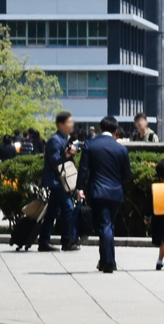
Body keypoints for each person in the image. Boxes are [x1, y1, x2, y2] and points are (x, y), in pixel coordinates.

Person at [77, 116, 132, 274]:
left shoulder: (91, 145)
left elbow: (83, 169)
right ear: (116, 132)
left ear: (100, 129)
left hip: (97, 191)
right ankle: (105, 260)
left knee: (104, 226)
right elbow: (126, 172)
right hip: (115, 192)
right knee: (108, 225)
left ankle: (108, 262)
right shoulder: (121, 149)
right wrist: (117, 182)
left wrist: (80, 188)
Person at [39, 112, 79, 252]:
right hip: (57, 181)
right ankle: (67, 241)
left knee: (52, 211)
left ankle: (44, 241)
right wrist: (68, 153)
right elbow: (55, 161)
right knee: (68, 208)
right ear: (61, 125)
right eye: (69, 123)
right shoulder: (55, 140)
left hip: (60, 181)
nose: (72, 125)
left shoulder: (63, 139)